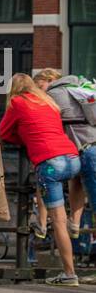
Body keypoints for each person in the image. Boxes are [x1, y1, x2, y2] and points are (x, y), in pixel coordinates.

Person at [0, 72, 80, 286]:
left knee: (59, 222)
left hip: (50, 162)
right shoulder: (48, 102)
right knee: (70, 213)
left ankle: (69, 274)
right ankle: (77, 223)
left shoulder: (17, 102)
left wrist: (25, 138)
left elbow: (4, 132)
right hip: (73, 158)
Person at [46, 73, 96, 240]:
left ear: (49, 81)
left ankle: (72, 224)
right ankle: (74, 223)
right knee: (77, 182)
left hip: (79, 150)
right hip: (88, 146)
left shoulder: (53, 94)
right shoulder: (77, 90)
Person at [31, 68, 62, 241]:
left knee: (42, 184)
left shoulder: (51, 97)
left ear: (49, 80)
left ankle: (42, 224)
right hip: (69, 153)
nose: (37, 89)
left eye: (39, 85)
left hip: (52, 153)